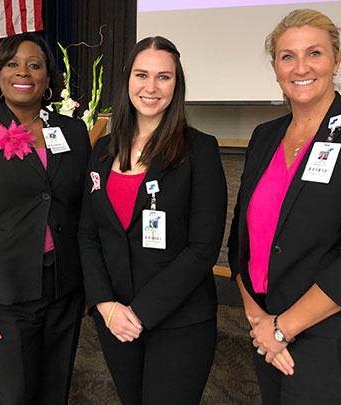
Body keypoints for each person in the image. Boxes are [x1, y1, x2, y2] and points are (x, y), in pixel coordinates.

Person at [227, 9, 341, 404]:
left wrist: (283, 328)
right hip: (267, 324)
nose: (300, 67)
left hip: (335, 333)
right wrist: (258, 316)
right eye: (287, 56)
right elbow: (241, 234)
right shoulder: (265, 136)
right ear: (275, 66)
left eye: (315, 53)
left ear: (336, 61)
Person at [0, 33, 91, 404]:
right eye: (12, 63)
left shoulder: (72, 131)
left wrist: (90, 285)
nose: (23, 71)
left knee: (55, 391)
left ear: (47, 80)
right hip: (4, 293)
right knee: (15, 395)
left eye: (35, 65)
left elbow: (85, 211)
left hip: (64, 288)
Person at [78, 36, 227, 404]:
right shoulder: (101, 150)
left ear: (177, 85)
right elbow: (88, 234)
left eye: (164, 77)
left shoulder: (200, 149)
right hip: (115, 319)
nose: (151, 87)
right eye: (142, 75)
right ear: (127, 78)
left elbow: (203, 248)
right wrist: (104, 304)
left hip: (179, 320)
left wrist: (141, 313)